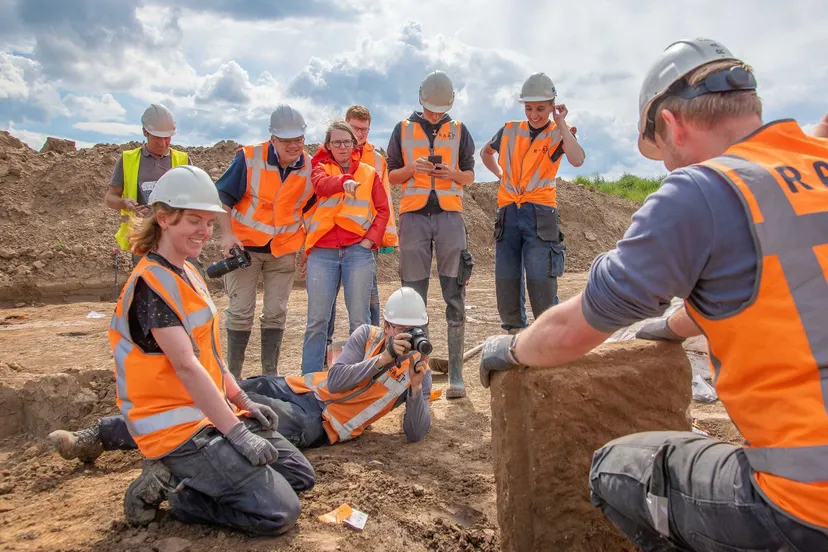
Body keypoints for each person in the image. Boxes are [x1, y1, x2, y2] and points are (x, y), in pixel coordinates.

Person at [478, 38, 828, 551]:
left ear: (673, 123)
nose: (666, 166)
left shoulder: (701, 192)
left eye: (661, 150)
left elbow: (576, 326)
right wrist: (669, 325)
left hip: (806, 506)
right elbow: (770, 283)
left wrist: (508, 349)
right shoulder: (813, 163)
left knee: (615, 471)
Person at [102, 165, 315, 535]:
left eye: (209, 223)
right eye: (194, 221)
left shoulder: (187, 271)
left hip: (209, 413)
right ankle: (172, 488)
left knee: (299, 475)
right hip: (178, 430)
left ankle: (205, 473)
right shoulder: (151, 285)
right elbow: (186, 368)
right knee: (280, 512)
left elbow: (209, 356)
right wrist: (237, 432)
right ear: (164, 219)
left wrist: (242, 400)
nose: (204, 232)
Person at [48, 287, 432, 458]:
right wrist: (381, 360)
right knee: (215, 393)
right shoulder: (368, 336)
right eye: (398, 328)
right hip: (295, 388)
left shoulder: (418, 369)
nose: (405, 337)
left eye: (412, 331)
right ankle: (105, 430)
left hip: (316, 419)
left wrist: (414, 389)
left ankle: (106, 435)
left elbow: (415, 434)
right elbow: (336, 380)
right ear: (386, 322)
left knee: (228, 421)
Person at [387, 70, 476, 399]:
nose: (436, 115)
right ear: (421, 100)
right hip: (414, 218)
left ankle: (455, 374)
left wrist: (450, 173)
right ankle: (417, 374)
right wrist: (414, 168)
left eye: (441, 110)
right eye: (431, 109)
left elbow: (468, 175)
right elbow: (393, 176)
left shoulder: (460, 131)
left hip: (450, 217)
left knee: (455, 293)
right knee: (414, 297)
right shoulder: (403, 129)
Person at [215, 104, 316, 378]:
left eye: (299, 140)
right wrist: (227, 235)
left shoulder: (310, 167)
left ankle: (269, 375)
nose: (294, 146)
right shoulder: (249, 159)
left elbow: (311, 210)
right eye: (287, 141)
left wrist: (309, 246)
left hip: (283, 252)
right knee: (240, 312)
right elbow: (222, 199)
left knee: (275, 313)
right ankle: (233, 377)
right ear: (273, 139)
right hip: (244, 249)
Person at [480, 73, 585, 333]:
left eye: (541, 108)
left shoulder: (558, 134)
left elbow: (577, 159)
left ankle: (547, 336)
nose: (534, 114)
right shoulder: (509, 130)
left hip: (540, 214)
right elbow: (485, 153)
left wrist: (561, 123)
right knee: (507, 278)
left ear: (552, 105)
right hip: (508, 213)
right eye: (529, 108)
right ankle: (514, 332)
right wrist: (500, 175)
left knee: (541, 280)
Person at [300, 121, 390, 374]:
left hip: (358, 252)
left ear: (354, 144)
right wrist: (343, 181)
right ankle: (310, 381)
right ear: (328, 146)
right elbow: (321, 186)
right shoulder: (319, 168)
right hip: (323, 252)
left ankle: (360, 378)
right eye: (336, 142)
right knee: (317, 321)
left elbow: (383, 211)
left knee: (360, 321)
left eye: (347, 141)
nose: (342, 146)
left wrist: (370, 240)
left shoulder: (369, 173)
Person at [324, 105, 398, 360]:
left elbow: (385, 200)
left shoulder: (377, 160)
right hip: (332, 236)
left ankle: (373, 347)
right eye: (355, 128)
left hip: (366, 238)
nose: (360, 134)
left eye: (364, 129)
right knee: (329, 296)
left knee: (370, 294)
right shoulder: (329, 155)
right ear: (346, 125)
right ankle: (327, 346)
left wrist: (383, 237)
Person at [105, 103, 197, 268]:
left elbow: (196, 197)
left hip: (179, 235)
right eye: (157, 137)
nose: (162, 143)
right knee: (149, 286)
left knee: (186, 286)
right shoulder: (128, 159)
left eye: (167, 138)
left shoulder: (183, 160)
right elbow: (110, 198)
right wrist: (125, 203)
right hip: (145, 236)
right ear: (145, 132)